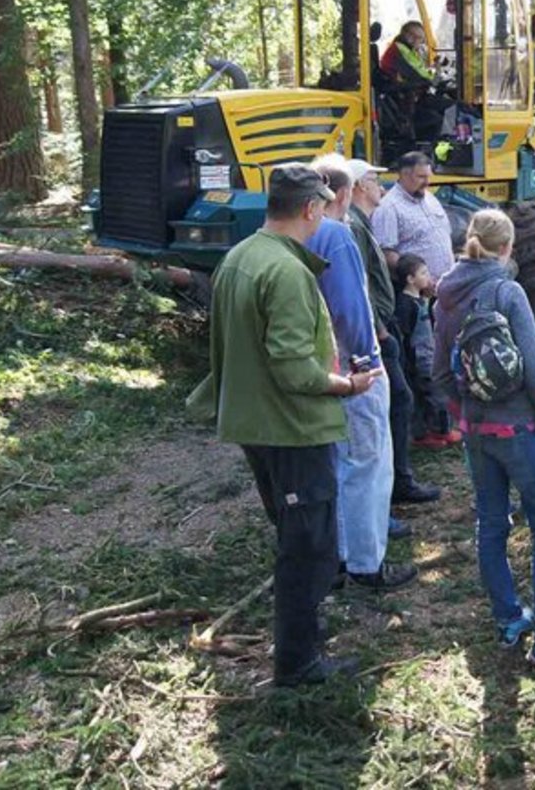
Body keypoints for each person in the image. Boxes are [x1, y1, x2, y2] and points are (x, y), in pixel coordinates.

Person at [186, 166, 384, 687]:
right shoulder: (288, 272)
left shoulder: (239, 257)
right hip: (292, 428)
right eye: (323, 209)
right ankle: (298, 663)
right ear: (311, 209)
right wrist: (348, 385)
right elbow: (295, 369)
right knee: (309, 547)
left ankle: (301, 642)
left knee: (296, 534)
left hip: (255, 422)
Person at [432, 209, 535, 667]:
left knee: (491, 524)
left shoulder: (444, 294)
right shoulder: (508, 291)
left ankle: (508, 618)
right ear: (507, 247)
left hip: (476, 433)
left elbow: (439, 372)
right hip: (521, 429)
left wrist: (465, 415)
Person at [307, 161, 417, 591]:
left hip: (322, 366)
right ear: (344, 193)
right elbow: (351, 306)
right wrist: (366, 361)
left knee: (338, 463)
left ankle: (336, 554)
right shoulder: (336, 234)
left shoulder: (301, 234)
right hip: (353, 368)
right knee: (368, 463)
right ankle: (366, 562)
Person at [346, 158, 441, 508]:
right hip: (379, 330)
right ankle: (396, 482)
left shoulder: (362, 222)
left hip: (383, 325)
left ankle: (396, 478)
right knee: (398, 399)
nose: (380, 186)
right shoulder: (355, 227)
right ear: (359, 186)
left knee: (400, 398)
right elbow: (361, 283)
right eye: (374, 180)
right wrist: (382, 329)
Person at [394, 252, 458, 448]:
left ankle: (435, 429)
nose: (428, 276)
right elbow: (405, 335)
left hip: (428, 355)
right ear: (410, 279)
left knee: (431, 393)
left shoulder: (421, 300)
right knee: (432, 395)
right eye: (423, 273)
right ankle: (435, 431)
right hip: (418, 360)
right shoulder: (405, 305)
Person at [371, 151, 456, 285]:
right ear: (404, 175)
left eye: (428, 176)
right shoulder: (388, 207)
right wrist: (420, 281)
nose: (427, 182)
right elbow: (386, 254)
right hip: (417, 290)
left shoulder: (430, 198)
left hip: (446, 285)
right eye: (421, 177)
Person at [378, 20, 449, 138]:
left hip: (409, 95)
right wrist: (437, 73)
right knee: (451, 110)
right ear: (410, 37)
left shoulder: (407, 50)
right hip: (407, 101)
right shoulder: (401, 50)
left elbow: (419, 70)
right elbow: (422, 77)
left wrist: (436, 72)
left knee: (446, 107)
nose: (421, 43)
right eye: (420, 39)